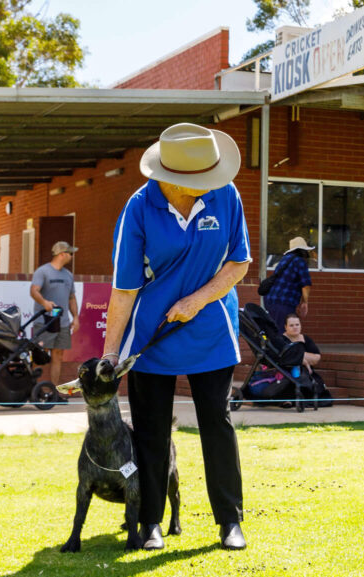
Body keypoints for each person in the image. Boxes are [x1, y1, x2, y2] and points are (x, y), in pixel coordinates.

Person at [102, 122, 250, 551]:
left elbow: (238, 264)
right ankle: (149, 522)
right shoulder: (138, 208)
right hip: (153, 333)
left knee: (216, 424)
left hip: (211, 327)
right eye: (198, 182)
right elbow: (125, 288)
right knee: (150, 430)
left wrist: (197, 300)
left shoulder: (225, 195)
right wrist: (111, 353)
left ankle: (230, 522)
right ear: (170, 178)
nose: (208, 187)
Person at [30, 241, 80, 392]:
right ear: (62, 254)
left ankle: (53, 392)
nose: (72, 256)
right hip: (44, 322)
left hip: (63, 323)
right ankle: (34, 390)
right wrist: (44, 302)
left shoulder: (68, 275)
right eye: (70, 253)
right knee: (39, 355)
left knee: (58, 355)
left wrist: (76, 317)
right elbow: (34, 291)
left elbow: (71, 298)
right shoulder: (43, 271)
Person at [264, 236, 314, 331]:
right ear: (303, 251)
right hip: (284, 302)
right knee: (284, 332)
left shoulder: (284, 260)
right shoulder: (300, 261)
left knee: (276, 330)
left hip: (271, 300)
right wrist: (304, 303)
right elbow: (306, 285)